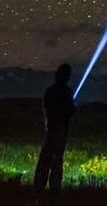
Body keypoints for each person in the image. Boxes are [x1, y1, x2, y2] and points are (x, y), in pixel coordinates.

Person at [33, 62, 76, 193]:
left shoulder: (50, 91)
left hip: (52, 128)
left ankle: (39, 186)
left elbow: (47, 107)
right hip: (60, 129)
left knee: (46, 158)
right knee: (56, 159)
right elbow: (69, 110)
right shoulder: (65, 91)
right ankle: (54, 187)